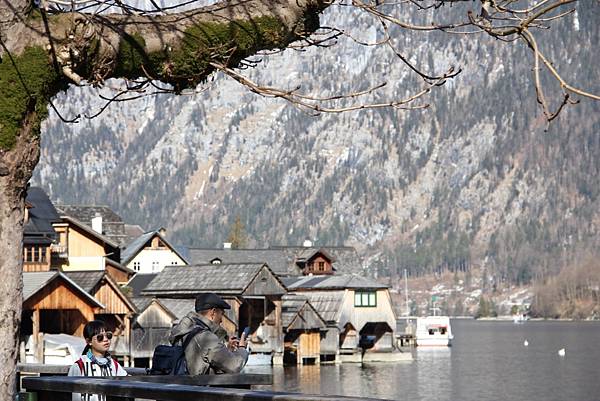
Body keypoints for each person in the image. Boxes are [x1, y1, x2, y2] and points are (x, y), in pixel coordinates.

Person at [169, 292, 249, 375]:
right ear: (213, 312)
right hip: (199, 387)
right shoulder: (205, 337)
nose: (221, 320)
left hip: (182, 386)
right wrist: (242, 348)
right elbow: (235, 366)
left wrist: (227, 351)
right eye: (222, 313)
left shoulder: (186, 331)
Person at [68, 320, 127, 401]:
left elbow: (129, 383)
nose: (106, 339)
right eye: (100, 337)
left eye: (108, 335)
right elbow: (75, 397)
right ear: (89, 341)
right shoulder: (79, 366)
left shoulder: (114, 365)